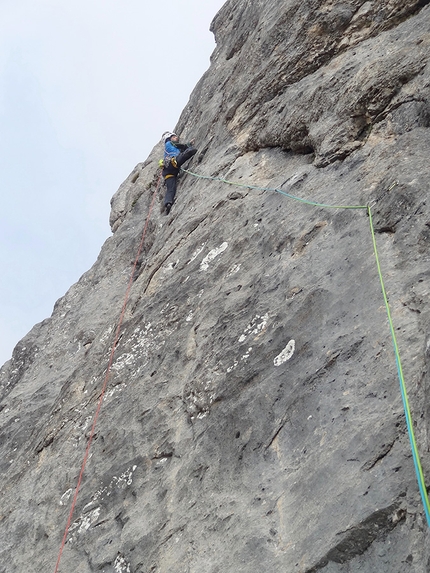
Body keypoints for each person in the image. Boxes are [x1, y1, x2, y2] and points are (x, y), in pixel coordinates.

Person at [161, 131, 197, 214]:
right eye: (174, 137)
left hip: (168, 172)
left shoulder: (172, 148)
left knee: (171, 188)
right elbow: (180, 146)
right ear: (169, 138)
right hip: (172, 163)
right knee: (181, 157)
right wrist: (188, 145)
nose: (176, 138)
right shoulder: (169, 143)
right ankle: (189, 152)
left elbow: (180, 148)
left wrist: (187, 145)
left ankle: (168, 203)